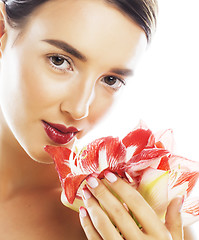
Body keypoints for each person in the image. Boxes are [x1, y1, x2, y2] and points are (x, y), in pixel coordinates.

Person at [0, 0, 194, 239]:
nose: (80, 109)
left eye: (111, 80)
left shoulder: (148, 223)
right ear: (2, 30)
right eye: (59, 61)